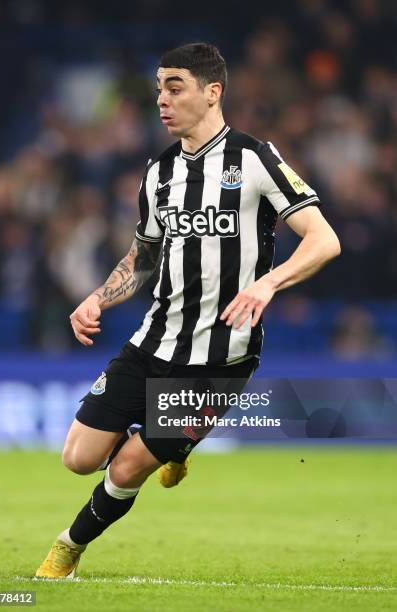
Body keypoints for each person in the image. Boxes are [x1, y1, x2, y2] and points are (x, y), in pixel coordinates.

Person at [35, 43, 340, 578]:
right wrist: (97, 297)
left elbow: (323, 239)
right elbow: (144, 254)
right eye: (159, 88)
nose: (162, 100)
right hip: (153, 343)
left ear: (212, 92)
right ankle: (175, 444)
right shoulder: (158, 171)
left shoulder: (255, 159)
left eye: (174, 88)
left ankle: (69, 546)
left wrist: (268, 283)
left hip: (219, 361)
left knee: (128, 464)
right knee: (78, 458)